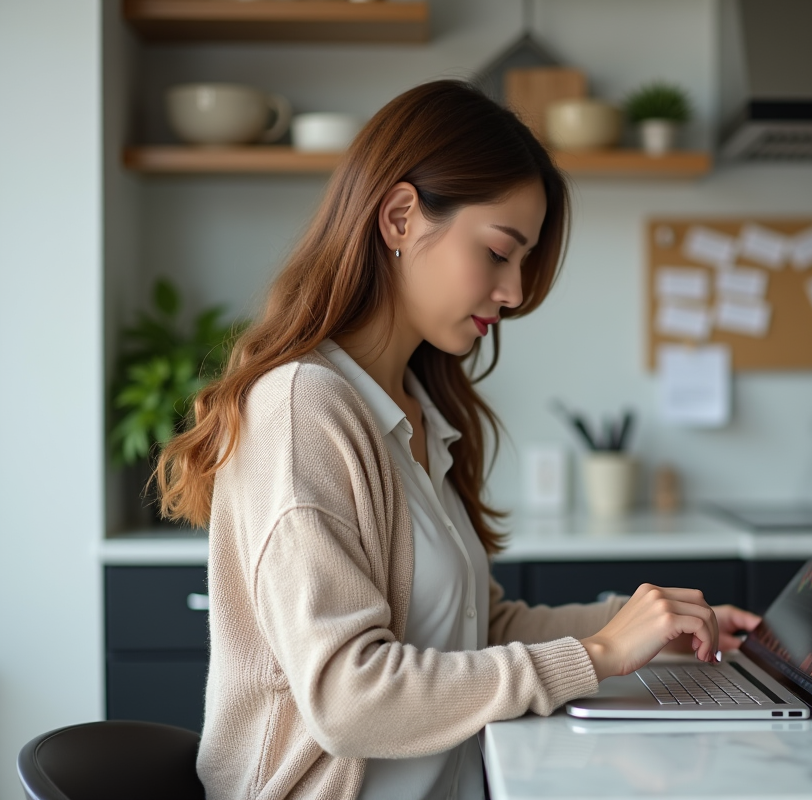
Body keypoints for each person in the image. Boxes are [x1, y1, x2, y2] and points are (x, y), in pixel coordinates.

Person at [157, 80, 760, 800]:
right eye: (501, 252)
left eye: (524, 262)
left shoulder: (412, 413)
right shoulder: (302, 408)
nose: (514, 291)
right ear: (401, 217)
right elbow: (349, 698)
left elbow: (479, 625)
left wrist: (640, 625)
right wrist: (599, 653)